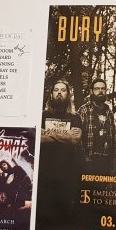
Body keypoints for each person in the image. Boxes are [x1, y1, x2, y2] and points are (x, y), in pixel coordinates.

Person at [38, 79, 84, 221]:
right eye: (56, 90)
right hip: (44, 170)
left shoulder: (75, 117)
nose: (59, 93)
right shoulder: (42, 115)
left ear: (68, 95)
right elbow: (38, 138)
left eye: (63, 90)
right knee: (44, 213)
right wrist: (66, 135)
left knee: (63, 215)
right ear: (51, 94)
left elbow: (75, 139)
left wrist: (48, 134)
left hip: (66, 172)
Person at [78, 78, 116, 175]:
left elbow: (113, 138)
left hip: (105, 161)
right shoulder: (84, 110)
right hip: (88, 160)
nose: (100, 91)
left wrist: (113, 159)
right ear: (91, 91)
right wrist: (84, 157)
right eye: (97, 89)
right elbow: (78, 137)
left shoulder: (109, 112)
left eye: (103, 89)